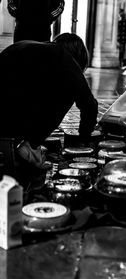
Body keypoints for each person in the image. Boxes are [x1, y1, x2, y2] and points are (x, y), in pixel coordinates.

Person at [0, 33, 98, 177]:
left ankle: (25, 144)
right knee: (67, 92)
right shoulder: (64, 58)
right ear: (79, 56)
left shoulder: (35, 47)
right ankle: (30, 147)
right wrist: (83, 140)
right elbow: (89, 104)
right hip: (9, 113)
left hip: (5, 108)